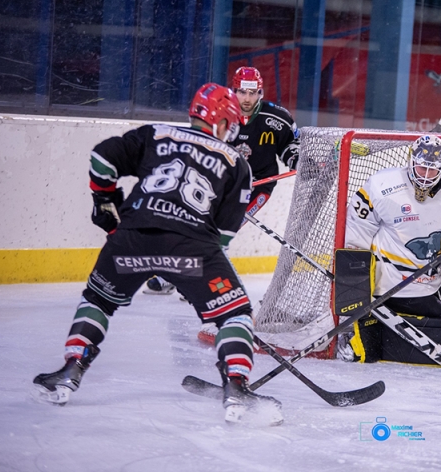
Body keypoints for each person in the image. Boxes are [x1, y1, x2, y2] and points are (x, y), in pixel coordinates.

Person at [33, 84, 277, 423]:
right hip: (191, 249)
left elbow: (102, 159)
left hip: (131, 240)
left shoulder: (155, 133)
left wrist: (103, 199)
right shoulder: (236, 162)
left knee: (99, 301)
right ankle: (236, 387)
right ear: (222, 122)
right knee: (233, 315)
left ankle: (70, 370)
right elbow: (221, 236)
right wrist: (189, 280)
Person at [144, 66, 299, 298]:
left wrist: (295, 158)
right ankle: (175, 276)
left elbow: (290, 145)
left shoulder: (278, 118)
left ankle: (196, 280)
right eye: (241, 92)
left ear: (261, 92)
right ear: (233, 90)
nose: (247, 99)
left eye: (252, 93)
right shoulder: (220, 114)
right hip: (220, 185)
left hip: (257, 187)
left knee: (215, 233)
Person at [336, 135, 441, 362]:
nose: (426, 176)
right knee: (367, 354)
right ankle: (356, 329)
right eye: (422, 168)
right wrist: (358, 292)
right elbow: (355, 239)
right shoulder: (382, 186)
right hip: (388, 283)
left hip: (431, 279)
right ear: (410, 160)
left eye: (433, 170)